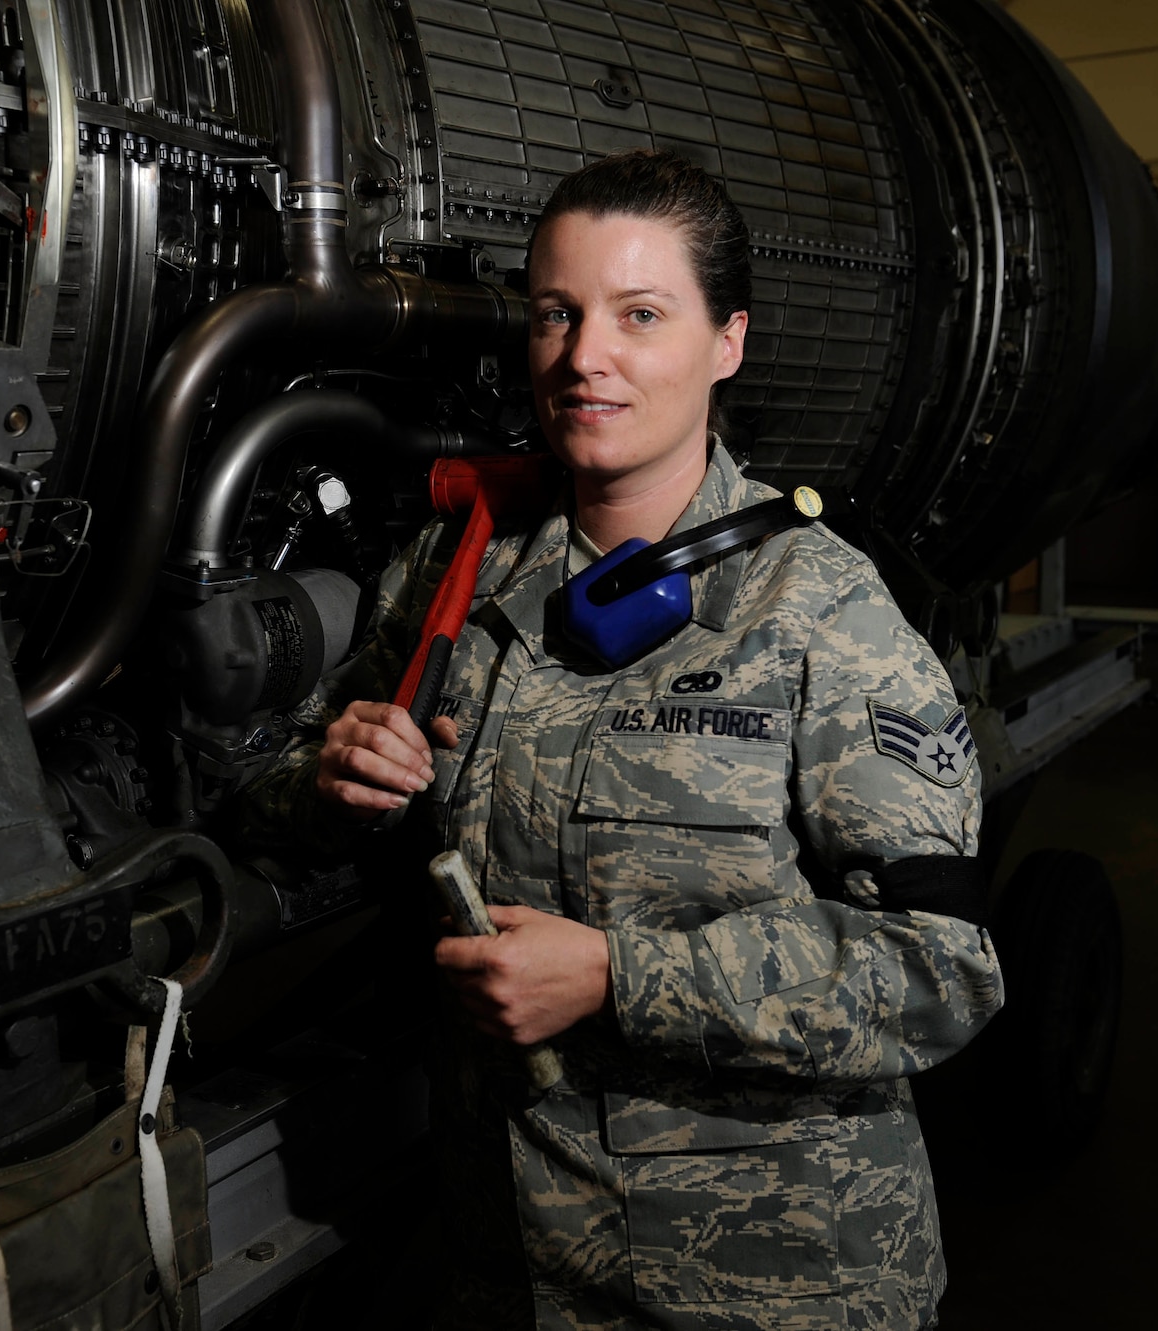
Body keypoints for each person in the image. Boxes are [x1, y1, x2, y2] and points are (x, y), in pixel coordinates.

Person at [234, 149, 1002, 1330]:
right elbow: (268, 778)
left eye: (640, 315)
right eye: (558, 313)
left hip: (771, 1283)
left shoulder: (818, 611)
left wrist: (616, 976)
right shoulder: (462, 570)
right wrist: (331, 780)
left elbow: (935, 970)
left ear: (726, 341)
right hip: (516, 1270)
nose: (585, 357)